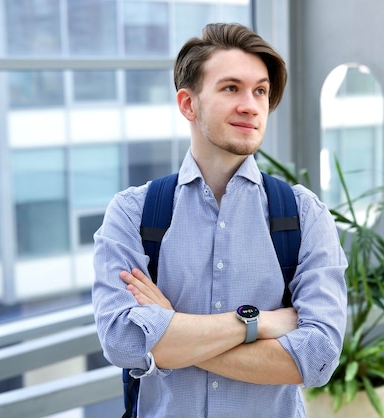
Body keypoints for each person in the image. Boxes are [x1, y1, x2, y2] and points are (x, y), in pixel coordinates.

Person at [92, 22, 348, 417]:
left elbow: (318, 357)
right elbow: (123, 341)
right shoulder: (133, 212)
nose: (251, 104)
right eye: (231, 88)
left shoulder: (303, 214)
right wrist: (259, 323)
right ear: (188, 104)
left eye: (260, 90)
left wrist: (170, 332)